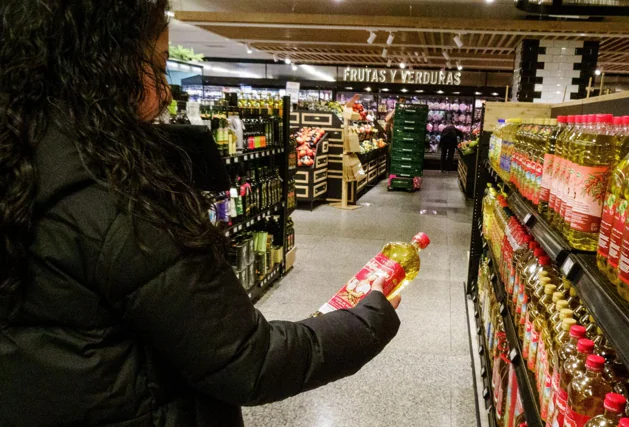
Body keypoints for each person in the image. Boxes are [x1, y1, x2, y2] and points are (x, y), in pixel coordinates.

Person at [0, 2, 400, 426]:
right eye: (155, 65)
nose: (168, 91)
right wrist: (368, 320)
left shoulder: (21, 165)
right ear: (104, 66)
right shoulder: (123, 201)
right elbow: (249, 360)